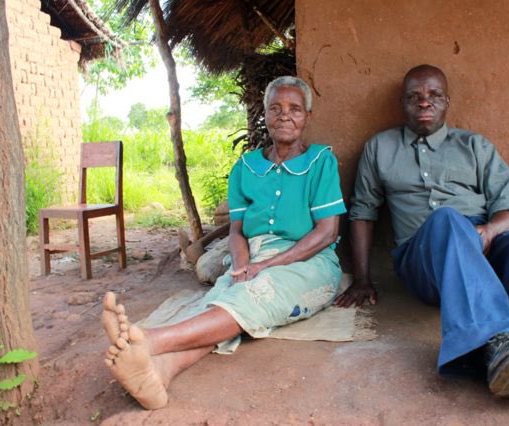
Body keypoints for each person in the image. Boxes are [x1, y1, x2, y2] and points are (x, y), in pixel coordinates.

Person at [335, 64, 509, 424]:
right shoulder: (380, 148)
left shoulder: (475, 146)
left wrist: (489, 233)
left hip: (484, 245)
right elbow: (362, 212)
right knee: (447, 220)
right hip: (424, 261)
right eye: (414, 96)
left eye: (434, 95)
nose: (424, 102)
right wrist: (361, 279)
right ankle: (499, 345)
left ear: (447, 102)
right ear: (402, 104)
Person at [101, 76, 346, 410]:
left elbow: (327, 233)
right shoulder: (245, 167)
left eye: (295, 109)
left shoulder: (321, 162)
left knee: (258, 292)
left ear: (308, 116)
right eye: (275, 108)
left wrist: (265, 266)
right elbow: (237, 231)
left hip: (309, 260)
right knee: (228, 296)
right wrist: (242, 265)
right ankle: (162, 371)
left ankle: (151, 341)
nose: (284, 116)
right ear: (265, 114)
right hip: (253, 254)